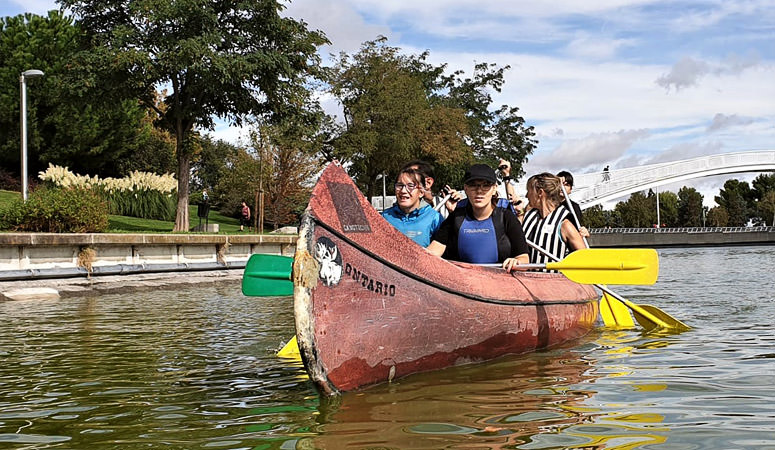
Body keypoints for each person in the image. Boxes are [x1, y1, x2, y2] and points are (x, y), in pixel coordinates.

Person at [427, 164, 529, 272]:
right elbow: (434, 250)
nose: (479, 191)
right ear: (466, 188)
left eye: (486, 185)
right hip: (462, 279)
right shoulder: (456, 217)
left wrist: (516, 262)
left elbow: (524, 258)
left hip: (499, 279)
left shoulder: (507, 217)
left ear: (494, 188)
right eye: (473, 185)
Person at [521, 173, 585, 266]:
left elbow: (584, 257)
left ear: (540, 193)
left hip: (551, 274)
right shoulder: (527, 217)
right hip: (525, 275)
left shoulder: (564, 225)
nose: (526, 195)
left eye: (529, 191)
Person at [381, 168, 443, 247]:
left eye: (410, 186)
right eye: (399, 185)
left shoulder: (434, 218)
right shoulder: (384, 217)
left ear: (421, 192)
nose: (403, 191)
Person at [556, 170, 590, 239]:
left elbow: (578, 227)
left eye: (566, 185)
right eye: (560, 184)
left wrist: (584, 232)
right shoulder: (548, 205)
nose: (562, 187)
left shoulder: (574, 207)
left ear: (570, 189)